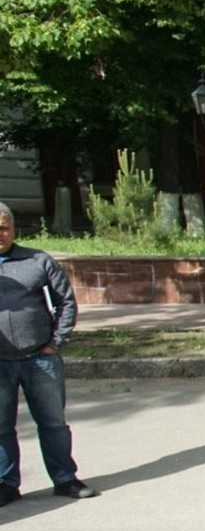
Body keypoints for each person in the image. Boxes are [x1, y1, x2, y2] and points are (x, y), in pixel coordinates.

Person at [0, 202, 97, 504]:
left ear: (14, 228)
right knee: (1, 427)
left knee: (53, 423)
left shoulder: (37, 261)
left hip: (40, 359)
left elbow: (66, 301)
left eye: (4, 227)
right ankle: (6, 484)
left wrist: (55, 341)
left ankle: (65, 479)